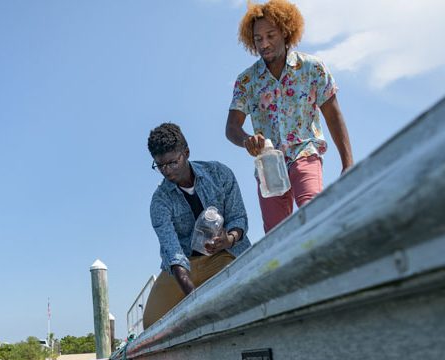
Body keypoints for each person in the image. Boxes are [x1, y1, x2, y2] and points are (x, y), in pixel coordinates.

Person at [226, 0, 354, 233]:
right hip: (268, 164)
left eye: (270, 35)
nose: (264, 43)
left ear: (285, 32)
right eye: (258, 38)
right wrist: (247, 140)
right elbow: (232, 128)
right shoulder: (246, 81)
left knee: (313, 216)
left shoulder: (312, 68)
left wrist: (348, 164)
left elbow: (333, 116)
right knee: (277, 236)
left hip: (304, 152)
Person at [143, 123, 251, 329]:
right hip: (185, 268)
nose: (166, 171)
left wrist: (229, 239)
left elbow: (239, 218)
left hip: (224, 256)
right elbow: (173, 253)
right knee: (151, 323)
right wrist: (194, 299)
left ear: (186, 152)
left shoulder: (219, 174)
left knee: (249, 295)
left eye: (172, 163)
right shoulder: (159, 201)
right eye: (159, 165)